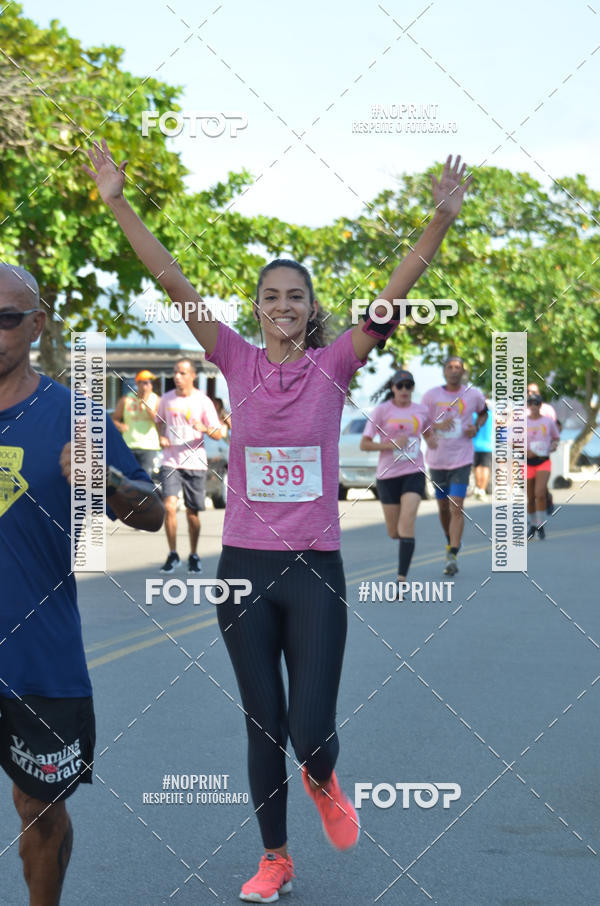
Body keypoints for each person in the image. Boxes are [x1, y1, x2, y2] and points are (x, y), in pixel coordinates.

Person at [84, 139, 471, 903]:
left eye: (297, 296)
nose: (284, 306)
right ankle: (275, 859)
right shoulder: (229, 357)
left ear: (310, 307)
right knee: (263, 725)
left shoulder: (336, 366)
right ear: (256, 308)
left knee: (309, 731)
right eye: (272, 297)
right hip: (244, 574)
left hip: (316, 571)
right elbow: (170, 278)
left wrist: (440, 222)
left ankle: (323, 775)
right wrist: (117, 202)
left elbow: (393, 294)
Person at [0, 264, 164, 906]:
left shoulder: (77, 417)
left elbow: (150, 513)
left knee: (39, 810)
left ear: (37, 326)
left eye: (7, 318)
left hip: (39, 653)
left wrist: (107, 483)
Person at [360, 369, 434, 581]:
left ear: (412, 388)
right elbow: (364, 444)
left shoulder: (421, 410)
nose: (404, 390)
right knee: (395, 532)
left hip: (414, 471)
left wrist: (436, 442)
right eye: (400, 386)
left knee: (407, 523)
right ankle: (404, 541)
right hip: (387, 475)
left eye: (408, 386)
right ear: (393, 388)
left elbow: (429, 434)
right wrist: (389, 444)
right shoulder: (382, 411)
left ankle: (401, 577)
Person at [156, 359, 225, 574]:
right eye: (175, 372)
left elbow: (219, 432)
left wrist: (203, 427)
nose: (177, 377)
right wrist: (161, 436)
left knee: (192, 513)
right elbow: (159, 421)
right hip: (171, 461)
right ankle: (173, 553)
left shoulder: (203, 401)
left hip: (195, 462)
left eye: (182, 373)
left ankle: (193, 554)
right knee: (169, 507)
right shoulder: (166, 399)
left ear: (192, 376)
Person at [421, 357, 487, 576]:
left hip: (462, 458)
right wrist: (433, 429)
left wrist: (476, 427)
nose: (453, 371)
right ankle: (450, 540)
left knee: (456, 505)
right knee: (443, 507)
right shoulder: (431, 396)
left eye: (458, 367)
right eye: (449, 367)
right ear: (444, 371)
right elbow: (419, 422)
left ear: (463, 371)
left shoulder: (473, 394)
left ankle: (453, 554)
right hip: (437, 460)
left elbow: (484, 412)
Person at [111, 369, 161, 473]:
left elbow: (157, 420)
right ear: (138, 383)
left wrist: (145, 401)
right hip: (129, 444)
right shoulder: (126, 399)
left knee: (146, 478)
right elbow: (114, 419)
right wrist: (120, 425)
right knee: (129, 476)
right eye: (146, 382)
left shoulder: (156, 399)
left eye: (151, 382)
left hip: (149, 446)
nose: (149, 385)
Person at [526, 392, 560, 540]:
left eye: (537, 403)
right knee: (530, 497)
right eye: (531, 403)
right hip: (527, 463)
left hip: (543, 460)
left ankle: (540, 523)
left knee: (540, 493)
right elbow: (511, 440)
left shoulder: (547, 422)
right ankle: (534, 524)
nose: (534, 406)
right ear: (528, 406)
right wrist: (524, 450)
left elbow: (556, 438)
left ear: (541, 405)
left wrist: (553, 446)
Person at [472, 398, 493, 500]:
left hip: (475, 445)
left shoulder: (474, 415)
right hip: (488, 446)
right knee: (485, 467)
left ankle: (478, 487)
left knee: (477, 467)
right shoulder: (492, 415)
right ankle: (482, 489)